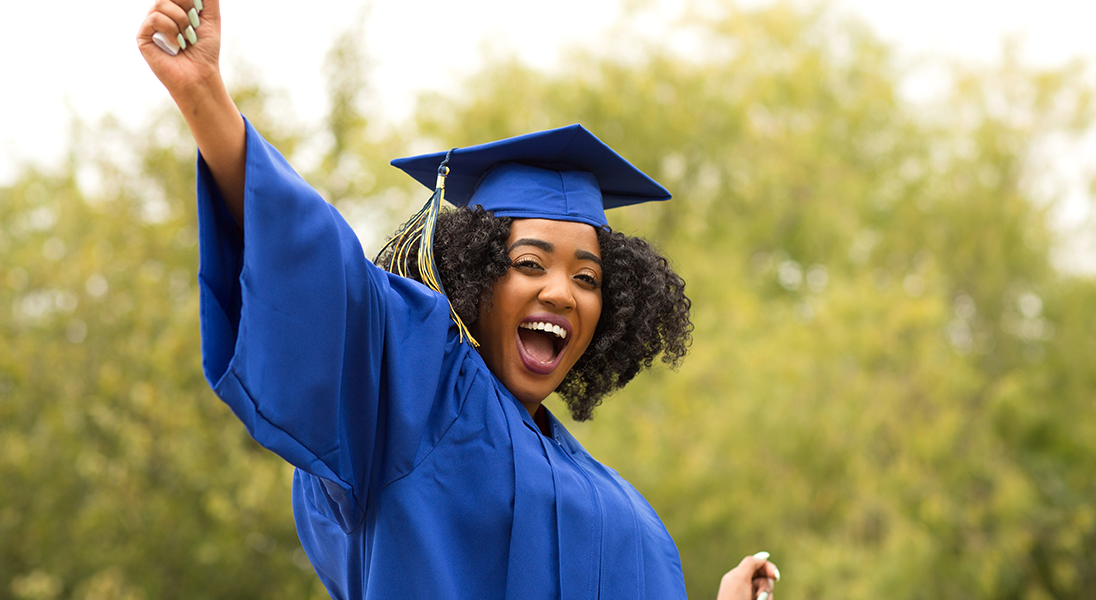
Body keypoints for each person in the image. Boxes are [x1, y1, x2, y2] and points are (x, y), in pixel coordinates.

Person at [137, 1, 781, 599]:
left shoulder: (629, 514)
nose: (561, 292)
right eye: (529, 264)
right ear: (472, 276)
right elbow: (319, 272)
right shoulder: (410, 394)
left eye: (588, 279)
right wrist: (205, 99)